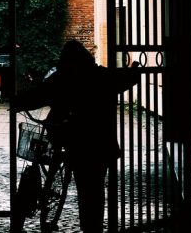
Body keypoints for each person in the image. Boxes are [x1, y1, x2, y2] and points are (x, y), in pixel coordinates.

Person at [12, 39, 140, 233]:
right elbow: (124, 78)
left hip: (71, 140)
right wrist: (135, 69)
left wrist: (17, 103)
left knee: (82, 182)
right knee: (93, 190)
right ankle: (92, 227)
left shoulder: (61, 78)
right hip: (98, 144)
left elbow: (38, 95)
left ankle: (52, 199)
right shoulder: (100, 76)